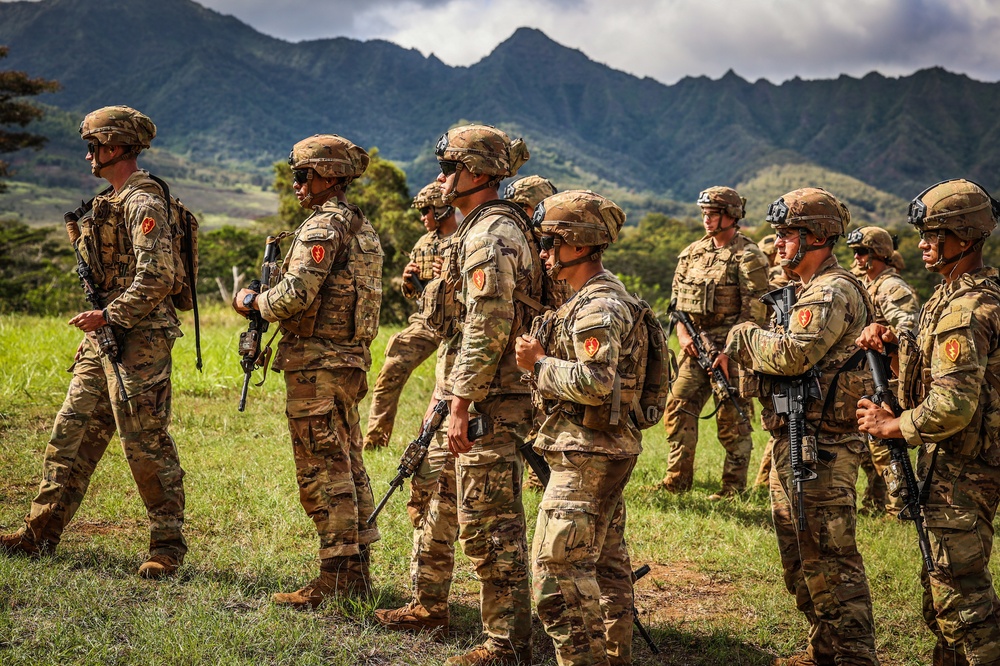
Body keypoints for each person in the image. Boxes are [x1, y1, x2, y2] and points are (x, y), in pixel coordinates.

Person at [0, 105, 188, 579]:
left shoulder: (143, 201)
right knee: (70, 431)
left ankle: (167, 548)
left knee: (145, 443)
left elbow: (159, 275)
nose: (89, 155)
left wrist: (110, 314)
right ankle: (39, 532)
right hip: (104, 336)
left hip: (140, 339)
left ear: (118, 147)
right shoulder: (112, 199)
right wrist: (105, 319)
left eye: (95, 145)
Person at [720, 187, 879, 665]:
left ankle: (854, 656)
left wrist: (745, 333)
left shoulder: (832, 291)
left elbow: (791, 356)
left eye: (788, 235)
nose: (778, 244)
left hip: (825, 447)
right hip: (796, 439)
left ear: (818, 237)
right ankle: (823, 649)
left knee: (831, 559)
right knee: (799, 559)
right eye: (778, 234)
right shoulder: (803, 292)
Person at [233, 134, 383, 608]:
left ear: (331, 177)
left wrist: (253, 301)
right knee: (346, 460)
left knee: (322, 466)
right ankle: (354, 571)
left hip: (318, 363)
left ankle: (337, 576)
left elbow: (296, 295)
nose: (296, 184)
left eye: (304, 175)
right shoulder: (362, 227)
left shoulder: (322, 228)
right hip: (346, 362)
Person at [857, 179, 1000, 665]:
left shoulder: (965, 308)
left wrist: (890, 427)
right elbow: (936, 378)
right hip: (955, 463)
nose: (922, 242)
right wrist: (896, 352)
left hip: (966, 468)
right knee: (941, 600)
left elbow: (952, 406)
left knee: (964, 603)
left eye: (933, 233)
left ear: (965, 238)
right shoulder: (952, 295)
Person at [515, 190, 640, 666]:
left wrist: (538, 363)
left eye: (550, 242)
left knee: (557, 573)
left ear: (581, 244)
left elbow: (595, 380)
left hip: (588, 454)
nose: (543, 253)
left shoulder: (597, 306)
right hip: (594, 449)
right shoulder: (588, 299)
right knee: (605, 567)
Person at [435, 124, 536, 666]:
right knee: (488, 517)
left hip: (493, 399)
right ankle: (508, 634)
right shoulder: (492, 226)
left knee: (490, 523)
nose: (443, 176)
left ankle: (506, 644)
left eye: (451, 167)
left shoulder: (489, 234)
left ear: (477, 173)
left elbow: (489, 321)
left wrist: (460, 400)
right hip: (496, 392)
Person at [374, 186, 463, 636]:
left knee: (444, 494)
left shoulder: (474, 241)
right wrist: (413, 285)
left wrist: (456, 399)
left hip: (469, 379)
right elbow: (431, 308)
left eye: (431, 210)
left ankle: (433, 607)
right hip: (448, 357)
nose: (426, 217)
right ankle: (429, 603)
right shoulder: (429, 244)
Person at [661, 186, 769, 499]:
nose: (706, 220)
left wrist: (730, 354)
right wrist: (682, 335)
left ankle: (733, 489)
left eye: (713, 214)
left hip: (731, 354)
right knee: (678, 410)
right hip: (695, 348)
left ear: (731, 216)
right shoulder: (692, 252)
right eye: (704, 214)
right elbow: (676, 303)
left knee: (732, 421)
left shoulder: (748, 256)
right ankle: (676, 483)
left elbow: (756, 312)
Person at [363, 181, 457, 450]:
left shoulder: (465, 241)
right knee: (391, 370)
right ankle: (375, 442)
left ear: (442, 209)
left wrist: (449, 279)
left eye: (426, 210)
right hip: (426, 321)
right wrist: (407, 281)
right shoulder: (423, 244)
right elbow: (416, 294)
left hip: (458, 324)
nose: (422, 217)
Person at [847, 226, 920, 515]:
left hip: (886, 380)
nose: (856, 257)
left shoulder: (892, 286)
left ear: (878, 253)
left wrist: (886, 335)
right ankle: (878, 503)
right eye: (854, 251)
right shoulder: (867, 284)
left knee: (885, 450)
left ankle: (900, 508)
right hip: (868, 376)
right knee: (869, 448)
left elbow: (908, 329)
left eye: (861, 251)